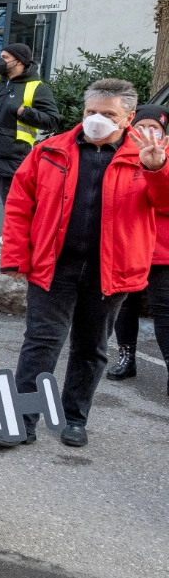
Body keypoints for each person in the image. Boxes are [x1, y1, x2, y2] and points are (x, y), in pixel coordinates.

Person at [0, 79, 169, 449]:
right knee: (40, 344)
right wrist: (15, 255)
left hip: (112, 270)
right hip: (53, 266)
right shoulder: (49, 151)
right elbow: (19, 205)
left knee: (91, 346)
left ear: (129, 118)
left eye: (108, 114)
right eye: (91, 112)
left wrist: (157, 171)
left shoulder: (148, 156)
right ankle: (23, 420)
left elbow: (165, 206)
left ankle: (74, 417)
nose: (97, 120)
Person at [0, 43, 60, 250]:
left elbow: (52, 120)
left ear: (19, 61)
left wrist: (22, 111)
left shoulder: (37, 87)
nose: (0, 61)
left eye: (5, 57)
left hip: (12, 156)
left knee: (13, 207)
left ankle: (13, 250)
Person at [109, 106, 169, 385]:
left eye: (155, 127)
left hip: (162, 250)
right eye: (142, 126)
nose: (148, 132)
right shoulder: (120, 156)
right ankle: (126, 358)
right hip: (129, 244)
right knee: (125, 307)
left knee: (165, 310)